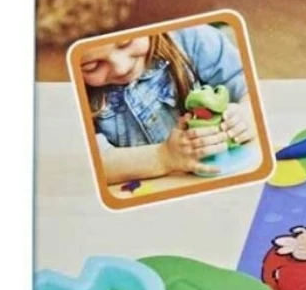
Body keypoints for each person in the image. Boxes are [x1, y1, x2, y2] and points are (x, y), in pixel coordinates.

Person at [78, 25, 256, 183]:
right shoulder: (75, 95)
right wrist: (164, 157)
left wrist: (248, 113)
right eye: (91, 66)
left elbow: (248, 85)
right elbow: (91, 165)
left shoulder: (191, 36)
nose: (121, 68)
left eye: (126, 42)